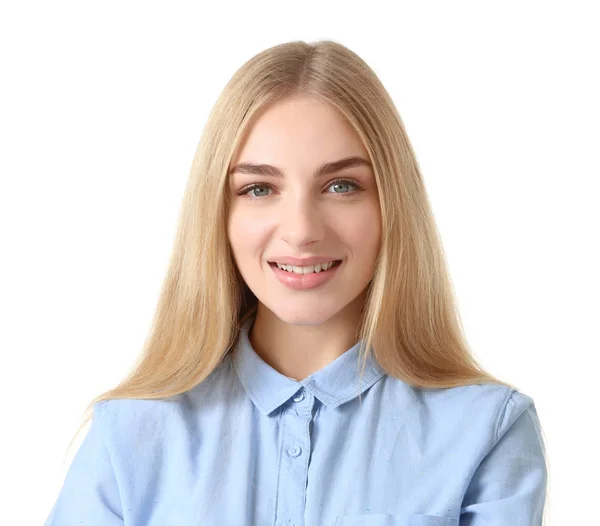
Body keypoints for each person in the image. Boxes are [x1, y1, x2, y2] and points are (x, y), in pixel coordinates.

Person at [44, 39, 548, 525]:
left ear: (392, 203)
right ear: (218, 213)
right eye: (259, 188)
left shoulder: (487, 431)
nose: (302, 230)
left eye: (341, 185)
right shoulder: (128, 436)